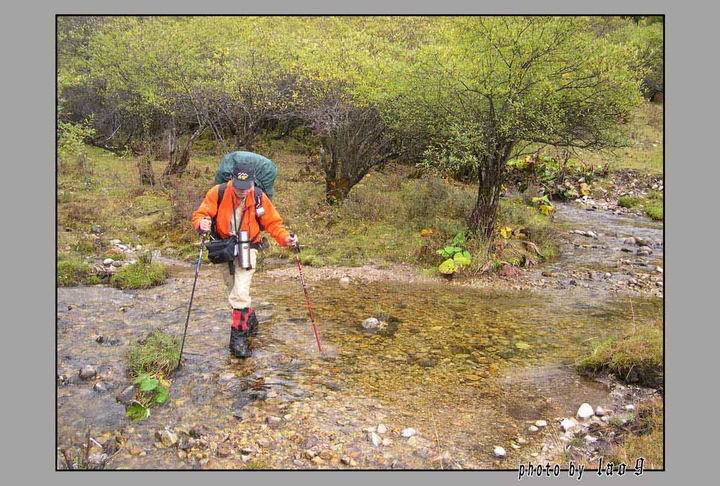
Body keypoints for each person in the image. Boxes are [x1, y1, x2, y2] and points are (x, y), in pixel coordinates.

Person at [191, 160, 298, 358]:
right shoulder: (218, 192)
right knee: (233, 291)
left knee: (239, 292)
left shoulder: (258, 197)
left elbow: (273, 223)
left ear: (252, 182)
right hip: (224, 247)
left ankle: (238, 339)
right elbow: (201, 214)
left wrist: (285, 239)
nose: (242, 191)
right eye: (238, 187)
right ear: (231, 180)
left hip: (249, 246)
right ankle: (250, 319)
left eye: (246, 187)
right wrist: (201, 223)